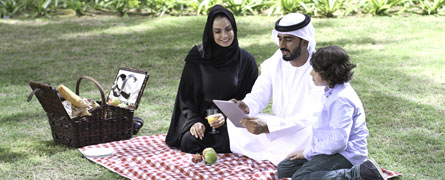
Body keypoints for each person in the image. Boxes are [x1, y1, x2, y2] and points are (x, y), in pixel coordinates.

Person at [277, 46, 386, 180]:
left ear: (329, 73)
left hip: (346, 154)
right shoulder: (332, 91)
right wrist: (308, 153)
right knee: (285, 169)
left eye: (315, 70)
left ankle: (360, 173)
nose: (311, 73)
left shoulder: (341, 99)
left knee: (300, 178)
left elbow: (339, 142)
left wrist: (308, 153)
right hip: (329, 150)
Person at [228, 13, 324, 165]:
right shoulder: (276, 61)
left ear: (304, 42)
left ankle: (272, 154)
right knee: (236, 123)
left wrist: (268, 127)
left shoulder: (319, 66)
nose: (282, 45)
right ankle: (275, 155)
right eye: (280, 38)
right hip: (279, 126)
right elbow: (259, 94)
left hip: (302, 130)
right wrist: (245, 106)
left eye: (289, 39)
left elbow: (312, 116)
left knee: (312, 134)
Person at [165, 5, 258, 154]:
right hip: (202, 120)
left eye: (228, 29)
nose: (224, 35)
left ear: (234, 28)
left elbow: (249, 100)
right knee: (189, 141)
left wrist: (226, 116)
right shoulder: (197, 57)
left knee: (228, 141)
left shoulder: (246, 61)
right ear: (210, 32)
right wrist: (194, 121)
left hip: (230, 124)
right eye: (218, 31)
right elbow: (185, 98)